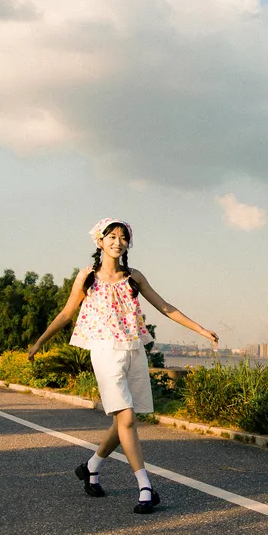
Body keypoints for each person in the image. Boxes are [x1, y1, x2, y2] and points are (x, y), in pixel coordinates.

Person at [28, 217, 219, 514]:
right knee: (127, 417)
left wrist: (201, 330)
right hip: (104, 352)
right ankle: (145, 486)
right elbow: (67, 313)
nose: (118, 242)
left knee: (125, 420)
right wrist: (40, 342)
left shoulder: (134, 278)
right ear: (99, 241)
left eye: (123, 237)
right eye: (112, 236)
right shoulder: (87, 277)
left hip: (134, 350)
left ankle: (91, 467)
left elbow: (165, 306)